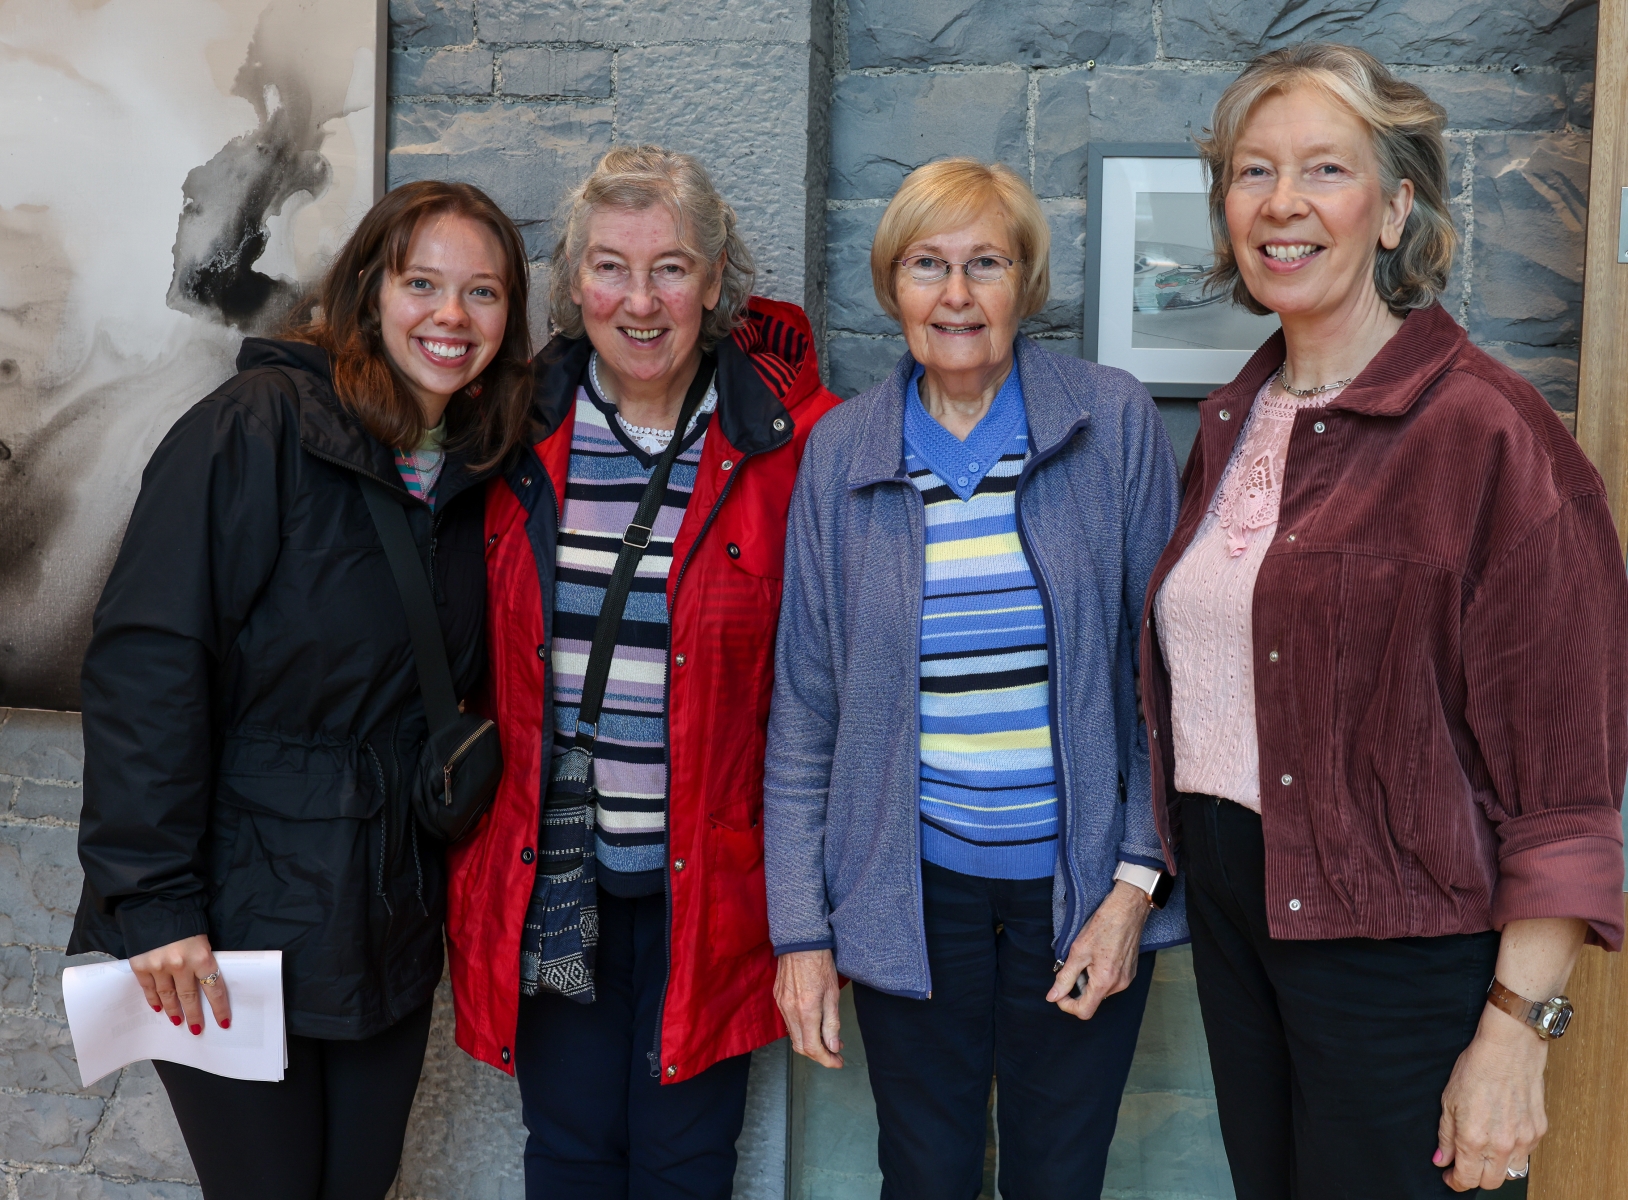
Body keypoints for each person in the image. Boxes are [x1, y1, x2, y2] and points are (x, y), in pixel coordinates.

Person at [1140, 43, 1628, 1199]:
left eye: (1324, 168)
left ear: (1396, 208)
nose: (1281, 203)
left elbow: (1565, 788)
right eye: (1252, 171)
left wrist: (1514, 1028)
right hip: (1238, 921)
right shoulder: (1236, 422)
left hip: (1400, 955)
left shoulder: (1486, 434)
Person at [68, 180, 535, 1200]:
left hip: (383, 915)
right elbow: (149, 664)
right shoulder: (255, 428)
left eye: (483, 292)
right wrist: (153, 902)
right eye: (422, 284)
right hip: (230, 913)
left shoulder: (474, 470)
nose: (452, 316)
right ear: (368, 292)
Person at [765, 157, 1185, 1199]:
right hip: (910, 890)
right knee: (924, 1174)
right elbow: (805, 713)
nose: (955, 294)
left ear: (1025, 282)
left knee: (1058, 1178)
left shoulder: (1109, 421)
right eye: (927, 265)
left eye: (985, 263)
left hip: (1080, 892)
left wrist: (1134, 885)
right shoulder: (842, 451)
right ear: (891, 285)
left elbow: (1167, 684)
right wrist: (801, 931)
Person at [444, 146, 840, 1199]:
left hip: (707, 887)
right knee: (568, 1159)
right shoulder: (508, 428)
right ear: (574, 284)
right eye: (610, 268)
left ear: (714, 283)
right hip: (553, 867)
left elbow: (824, 687)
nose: (640, 299)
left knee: (684, 1168)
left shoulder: (790, 444)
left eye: (671, 268)